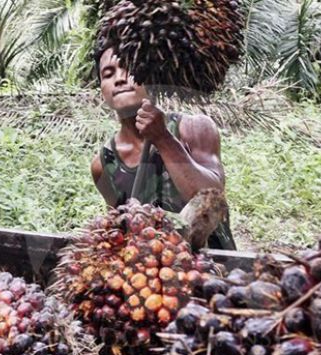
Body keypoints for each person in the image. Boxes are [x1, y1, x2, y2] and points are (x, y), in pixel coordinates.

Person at [90, 48, 236, 250]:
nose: (119, 79)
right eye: (108, 74)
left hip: (213, 270)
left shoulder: (194, 128)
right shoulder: (104, 163)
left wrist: (163, 138)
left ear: (150, 76)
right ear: (102, 90)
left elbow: (212, 197)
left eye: (128, 68)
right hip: (152, 274)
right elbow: (118, 227)